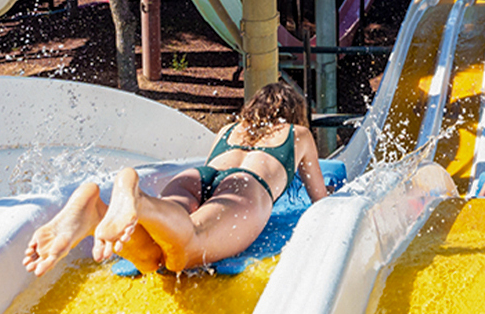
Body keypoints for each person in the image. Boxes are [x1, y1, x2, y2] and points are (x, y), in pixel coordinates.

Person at [23, 82, 329, 276]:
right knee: (189, 245)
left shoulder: (227, 131)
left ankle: (96, 213)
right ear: (294, 114)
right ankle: (137, 200)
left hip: (198, 177)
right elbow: (320, 199)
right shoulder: (297, 134)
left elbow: (213, 175)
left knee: (155, 255)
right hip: (246, 186)